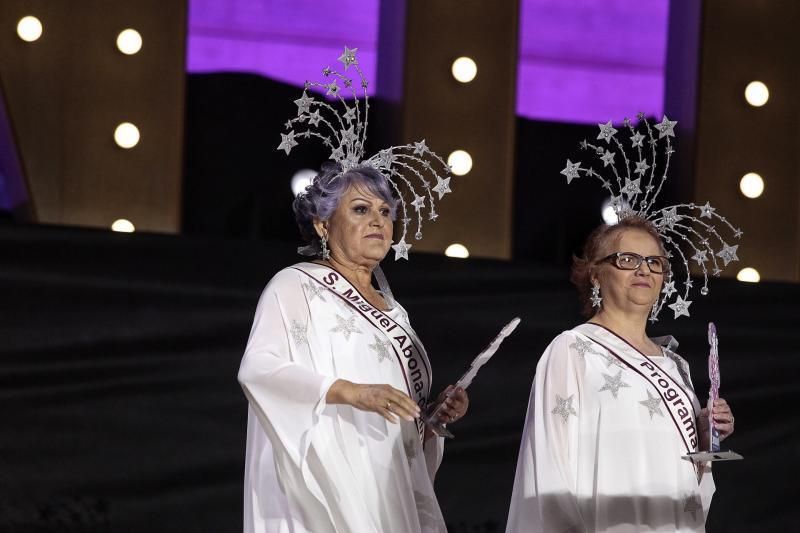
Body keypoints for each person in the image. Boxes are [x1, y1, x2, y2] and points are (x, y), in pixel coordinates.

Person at [238, 161, 469, 533]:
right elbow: (260, 369)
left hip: (387, 484)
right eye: (361, 210)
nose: (378, 221)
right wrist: (352, 392)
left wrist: (432, 416)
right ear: (322, 224)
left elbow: (403, 413)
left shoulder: (396, 311)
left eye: (385, 212)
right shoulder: (296, 285)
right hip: (331, 481)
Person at [506, 216, 736, 533]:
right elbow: (549, 465)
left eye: (655, 262)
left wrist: (705, 436)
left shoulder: (675, 366)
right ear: (596, 274)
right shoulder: (574, 349)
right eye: (627, 259)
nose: (644, 270)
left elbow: (687, 480)